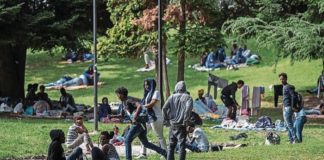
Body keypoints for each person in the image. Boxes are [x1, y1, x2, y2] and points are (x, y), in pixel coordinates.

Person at [111, 87, 167, 160]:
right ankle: (164, 152)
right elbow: (122, 115)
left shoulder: (129, 100)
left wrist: (135, 117)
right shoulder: (123, 102)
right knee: (145, 143)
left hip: (138, 124)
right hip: (141, 124)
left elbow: (139, 106)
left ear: (122, 94)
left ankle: (128, 158)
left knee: (127, 140)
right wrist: (112, 116)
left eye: (118, 94)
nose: (117, 96)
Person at [162, 81, 193, 160]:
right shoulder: (188, 97)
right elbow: (187, 110)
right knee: (182, 146)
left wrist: (166, 120)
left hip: (172, 124)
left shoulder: (171, 97)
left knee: (171, 146)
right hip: (181, 125)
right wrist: (185, 122)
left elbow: (164, 108)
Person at [137, 78, 167, 159]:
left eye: (147, 84)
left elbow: (151, 104)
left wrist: (140, 106)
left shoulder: (156, 92)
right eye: (145, 84)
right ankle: (143, 154)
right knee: (142, 134)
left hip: (156, 117)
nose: (146, 86)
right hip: (148, 118)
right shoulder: (147, 94)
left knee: (159, 136)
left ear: (152, 84)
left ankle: (165, 153)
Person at [279, 72, 296, 144]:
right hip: (285, 107)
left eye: (282, 79)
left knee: (289, 124)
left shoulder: (289, 87)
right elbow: (285, 98)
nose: (281, 80)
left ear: (286, 79)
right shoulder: (284, 87)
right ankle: (290, 139)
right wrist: (283, 106)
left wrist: (292, 106)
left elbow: (293, 96)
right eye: (280, 79)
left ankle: (295, 139)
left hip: (288, 107)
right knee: (286, 124)